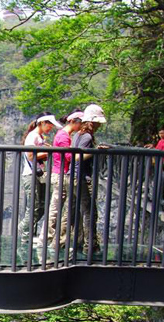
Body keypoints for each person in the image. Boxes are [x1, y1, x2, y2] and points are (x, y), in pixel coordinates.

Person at [38, 109, 83, 248]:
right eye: (81, 124)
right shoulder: (64, 136)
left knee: (61, 207)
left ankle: (50, 239)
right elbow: (68, 157)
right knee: (56, 208)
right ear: (74, 122)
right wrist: (81, 152)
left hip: (59, 174)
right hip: (60, 174)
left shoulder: (64, 135)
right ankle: (46, 240)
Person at [17, 112, 63, 245]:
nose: (51, 128)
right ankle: (23, 232)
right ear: (42, 123)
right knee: (34, 206)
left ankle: (26, 233)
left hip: (38, 175)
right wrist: (50, 152)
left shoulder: (39, 137)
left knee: (41, 206)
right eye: (49, 125)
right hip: (30, 175)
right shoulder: (33, 136)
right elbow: (31, 156)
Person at [71, 104, 107, 255]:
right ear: (92, 122)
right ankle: (89, 247)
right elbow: (78, 157)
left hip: (74, 177)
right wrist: (95, 151)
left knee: (80, 212)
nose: (99, 126)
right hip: (82, 178)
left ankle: (79, 243)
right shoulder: (86, 136)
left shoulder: (77, 134)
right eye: (98, 122)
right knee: (89, 213)